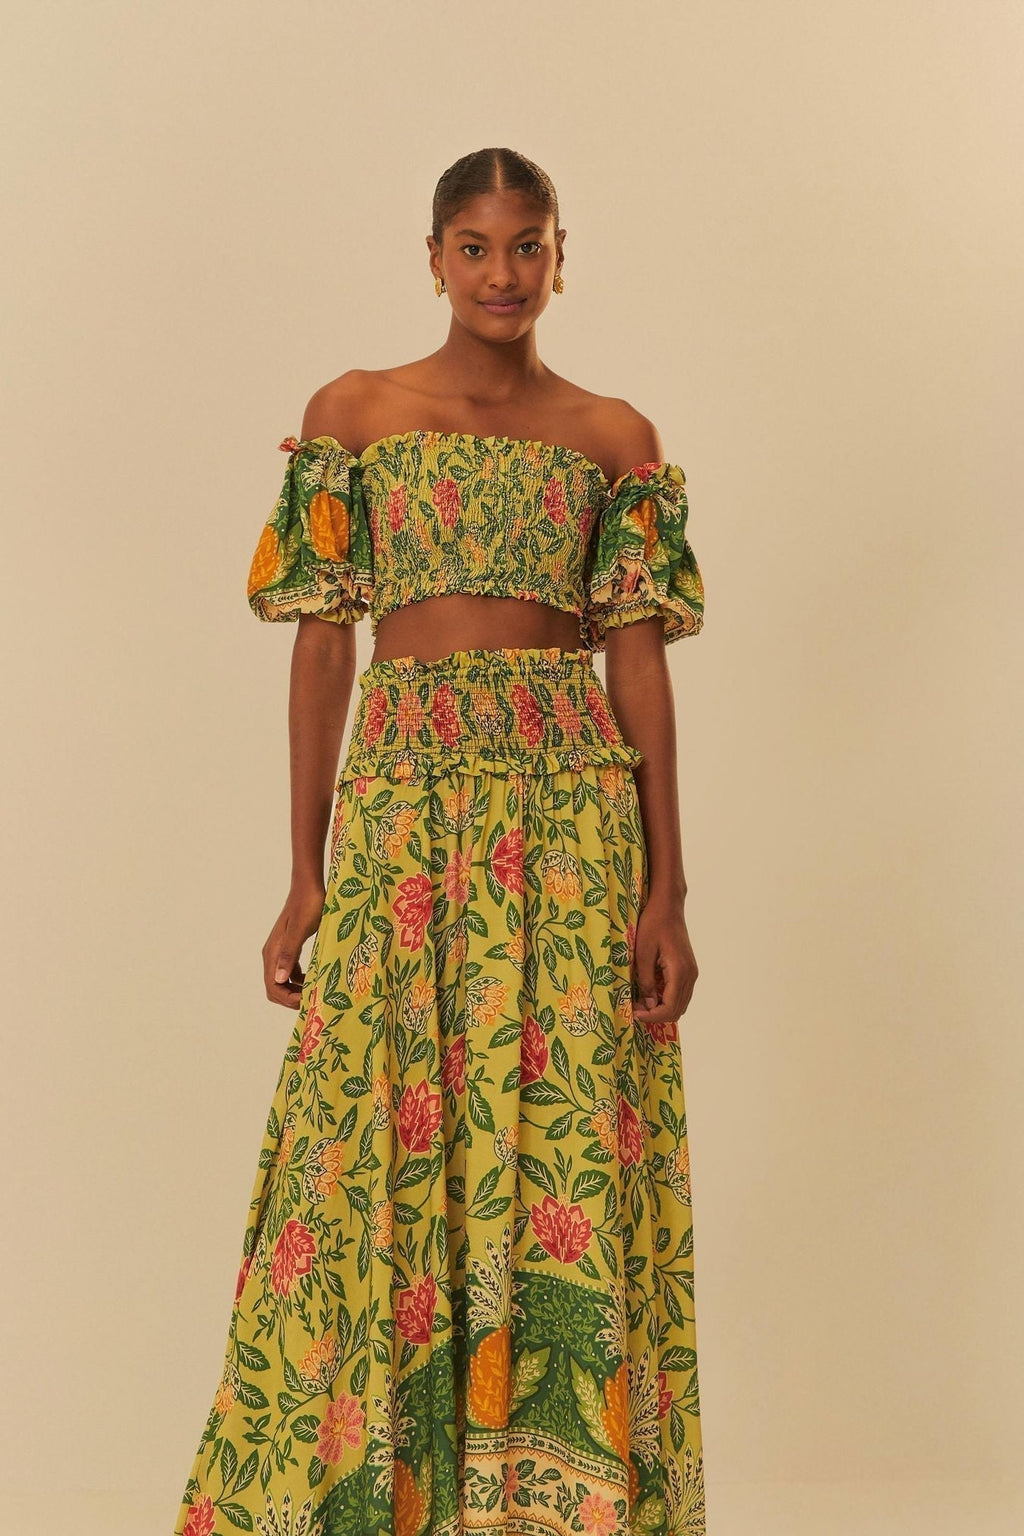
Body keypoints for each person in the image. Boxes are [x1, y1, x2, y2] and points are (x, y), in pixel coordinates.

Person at [173, 146, 707, 1536]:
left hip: (570, 817)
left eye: (528, 246)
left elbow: (639, 664)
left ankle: (552, 1498)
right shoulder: (355, 414)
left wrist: (667, 891)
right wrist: (305, 873)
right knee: (372, 1130)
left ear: (562, 257)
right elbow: (322, 651)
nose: (502, 274)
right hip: (404, 810)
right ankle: (382, 1492)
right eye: (475, 247)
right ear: (432, 260)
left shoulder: (614, 437)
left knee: (558, 1133)